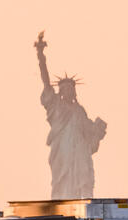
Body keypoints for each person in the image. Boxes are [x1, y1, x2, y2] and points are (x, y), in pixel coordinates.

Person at [35, 31, 106, 199]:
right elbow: (45, 81)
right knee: (62, 182)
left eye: (70, 88)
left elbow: (90, 132)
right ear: (60, 91)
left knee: (83, 178)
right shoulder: (55, 106)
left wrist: (99, 128)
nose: (67, 90)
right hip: (63, 151)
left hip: (80, 152)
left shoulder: (79, 111)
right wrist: (40, 56)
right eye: (64, 88)